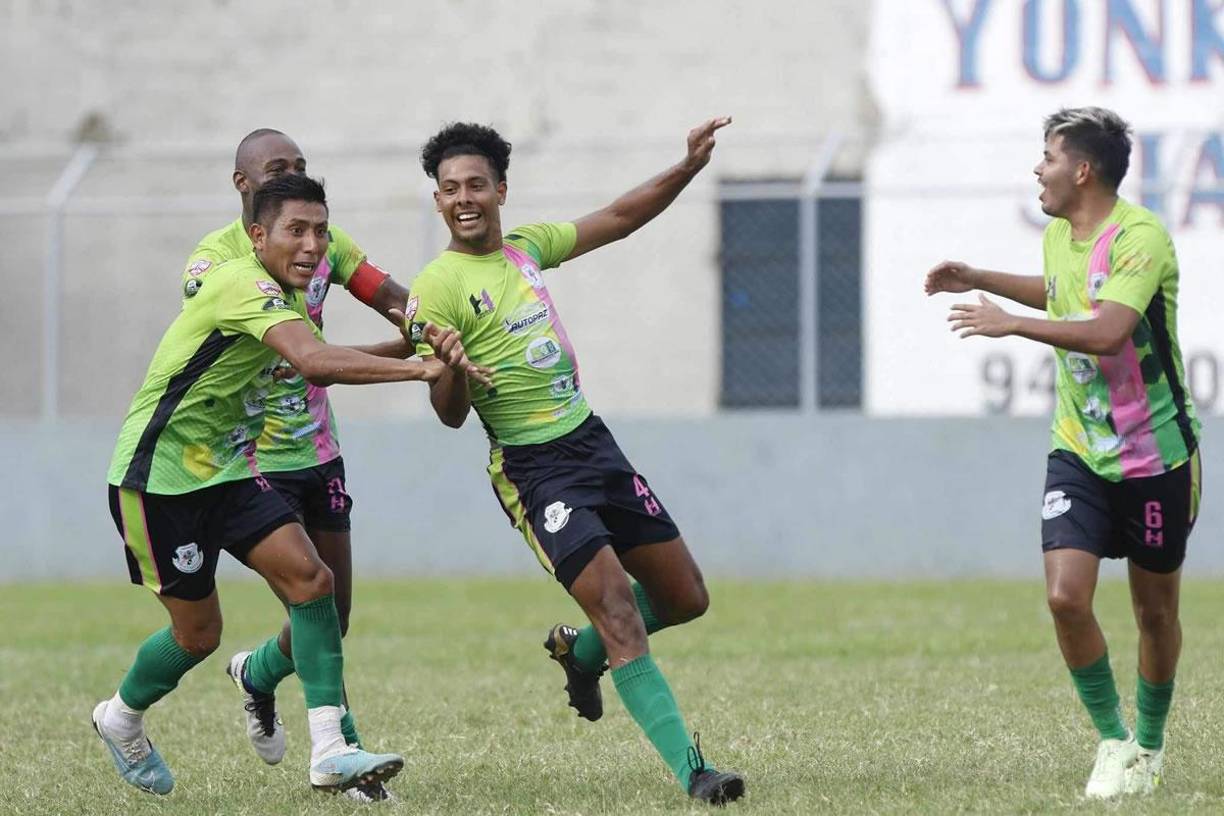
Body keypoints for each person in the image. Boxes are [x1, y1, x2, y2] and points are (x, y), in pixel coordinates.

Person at [95, 173, 485, 797]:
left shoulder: (288, 295)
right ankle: (119, 717)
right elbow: (313, 362)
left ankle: (331, 749)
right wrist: (417, 368)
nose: (312, 246)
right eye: (296, 231)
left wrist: (409, 343)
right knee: (198, 635)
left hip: (228, 470)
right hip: (158, 479)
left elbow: (315, 355)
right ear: (257, 234)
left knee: (313, 583)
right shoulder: (241, 285)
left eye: (321, 232)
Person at [405, 118, 745, 806]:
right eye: (449, 189)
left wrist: (685, 169)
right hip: (534, 471)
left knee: (685, 598)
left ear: (501, 189)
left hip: (592, 441)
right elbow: (447, 413)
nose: (463, 198)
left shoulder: (527, 249)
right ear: (437, 201)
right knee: (619, 607)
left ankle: (578, 652)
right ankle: (696, 773)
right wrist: (452, 369)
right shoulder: (436, 288)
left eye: (475, 184)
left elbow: (619, 218)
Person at [924, 106, 1201, 798]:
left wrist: (1010, 323)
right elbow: (1060, 293)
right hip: (1078, 449)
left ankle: (1152, 746)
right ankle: (1114, 742)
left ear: (1082, 170)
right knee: (1064, 597)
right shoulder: (1058, 233)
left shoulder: (1141, 239)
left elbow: (1108, 331)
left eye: (1047, 157)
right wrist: (980, 278)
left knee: (1155, 613)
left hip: (1155, 457)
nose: (1037, 170)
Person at [182, 129, 409, 801]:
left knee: (332, 611)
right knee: (310, 591)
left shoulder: (321, 242)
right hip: (252, 457)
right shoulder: (213, 264)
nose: (293, 176)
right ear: (243, 186)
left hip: (320, 450)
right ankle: (346, 758)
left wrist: (427, 319)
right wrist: (405, 361)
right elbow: (236, 344)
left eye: (301, 167)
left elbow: (387, 291)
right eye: (278, 169)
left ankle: (257, 673)